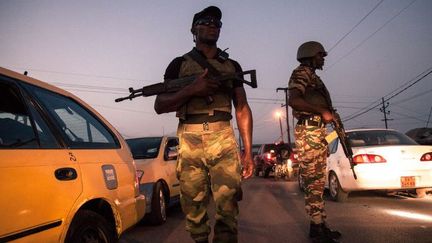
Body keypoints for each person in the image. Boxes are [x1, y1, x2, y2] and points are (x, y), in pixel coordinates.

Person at [154, 6, 254, 243]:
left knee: (228, 206)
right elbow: (160, 104)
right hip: (189, 138)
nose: (212, 25)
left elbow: (242, 107)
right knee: (193, 205)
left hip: (223, 137)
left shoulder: (232, 66)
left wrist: (248, 152)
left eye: (217, 23)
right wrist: (192, 90)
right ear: (193, 29)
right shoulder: (179, 65)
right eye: (205, 21)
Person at [288, 41, 342, 243]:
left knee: (318, 181)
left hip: (316, 131)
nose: (323, 59)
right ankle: (317, 228)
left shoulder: (313, 76)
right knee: (313, 181)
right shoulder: (301, 73)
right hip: (309, 130)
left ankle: (319, 224)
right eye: (320, 55)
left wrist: (331, 122)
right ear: (310, 56)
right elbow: (294, 100)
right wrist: (322, 111)